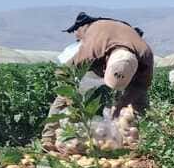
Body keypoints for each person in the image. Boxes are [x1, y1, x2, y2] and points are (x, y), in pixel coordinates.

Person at [43, 12, 154, 144]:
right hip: (99, 41)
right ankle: (48, 138)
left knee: (140, 100)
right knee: (64, 96)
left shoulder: (145, 56)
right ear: (106, 65)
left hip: (121, 40)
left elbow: (140, 87)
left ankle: (148, 139)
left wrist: (121, 105)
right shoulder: (91, 52)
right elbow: (63, 74)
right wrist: (71, 101)